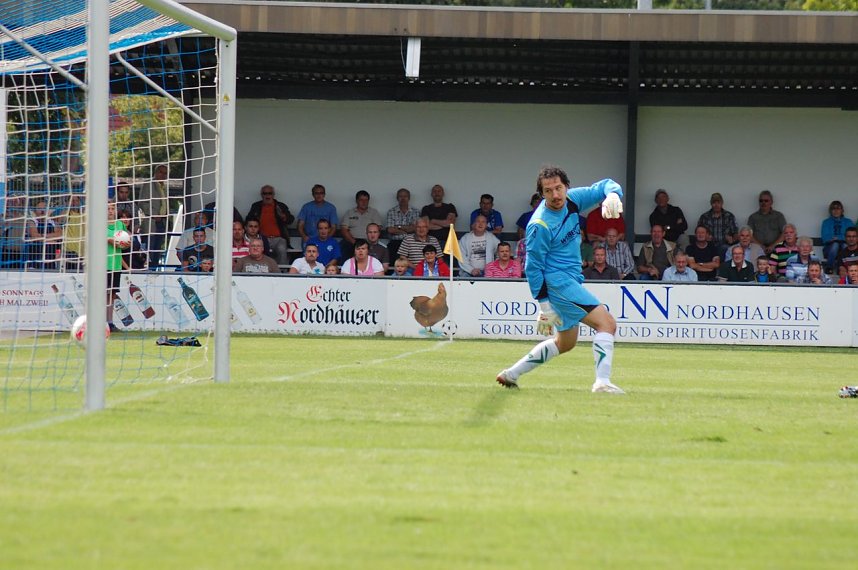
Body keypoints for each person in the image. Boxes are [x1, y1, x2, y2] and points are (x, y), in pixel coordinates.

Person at [496, 165, 624, 394]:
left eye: (558, 188)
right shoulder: (539, 224)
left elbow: (604, 185)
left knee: (565, 343)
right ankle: (602, 383)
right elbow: (533, 268)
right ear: (541, 194)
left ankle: (511, 374)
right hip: (558, 283)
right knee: (607, 324)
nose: (555, 195)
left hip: (570, 280)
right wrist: (544, 306)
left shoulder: (573, 200)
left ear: (566, 187)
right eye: (548, 191)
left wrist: (613, 194)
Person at [245, 184, 294, 265]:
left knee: (281, 249)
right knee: (257, 249)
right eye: (265, 193)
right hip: (261, 238)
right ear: (261, 195)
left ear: (273, 195)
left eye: (270, 193)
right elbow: (248, 220)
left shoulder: (280, 206)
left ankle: (282, 274)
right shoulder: (256, 206)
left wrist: (283, 217)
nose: (267, 196)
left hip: (278, 238)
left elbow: (291, 220)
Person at [137, 163, 170, 267]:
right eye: (161, 172)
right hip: (151, 222)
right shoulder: (149, 184)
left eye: (165, 173)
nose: (163, 175)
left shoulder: (164, 186)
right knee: (149, 250)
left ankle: (155, 270)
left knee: (157, 250)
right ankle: (147, 270)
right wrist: (154, 215)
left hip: (162, 222)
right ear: (155, 172)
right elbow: (142, 202)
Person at [340, 190, 384, 260]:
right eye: (361, 200)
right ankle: (345, 269)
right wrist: (354, 242)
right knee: (343, 246)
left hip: (368, 241)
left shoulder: (374, 213)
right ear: (356, 201)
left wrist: (370, 241)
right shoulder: (350, 212)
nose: (364, 202)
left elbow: (378, 229)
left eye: (366, 200)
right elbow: (344, 229)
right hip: (352, 241)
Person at [106, 200, 129, 332]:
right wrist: (109, 240)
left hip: (115, 265)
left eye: (112, 208)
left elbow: (127, 241)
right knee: (102, 294)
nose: (110, 211)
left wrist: (126, 243)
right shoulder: (98, 224)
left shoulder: (120, 224)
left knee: (112, 295)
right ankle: (100, 323)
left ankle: (110, 323)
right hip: (102, 265)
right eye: (108, 208)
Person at [24, 196, 63, 268]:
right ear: (35, 210)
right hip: (35, 260)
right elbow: (34, 236)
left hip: (50, 260)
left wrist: (41, 236)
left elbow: (60, 234)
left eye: (44, 208)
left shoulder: (53, 223)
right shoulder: (32, 222)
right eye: (39, 208)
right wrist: (51, 240)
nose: (42, 211)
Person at [385, 187, 421, 259]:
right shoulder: (391, 211)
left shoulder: (415, 211)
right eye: (400, 196)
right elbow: (390, 230)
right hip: (396, 242)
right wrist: (408, 230)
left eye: (405, 196)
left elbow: (415, 228)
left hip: (412, 242)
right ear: (397, 198)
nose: (403, 198)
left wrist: (398, 227)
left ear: (409, 198)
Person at [821, 200, 854, 273]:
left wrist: (838, 238)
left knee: (844, 245)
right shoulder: (826, 222)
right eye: (833, 208)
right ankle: (829, 268)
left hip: (844, 247)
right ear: (830, 210)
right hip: (829, 249)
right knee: (835, 245)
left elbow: (852, 237)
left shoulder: (848, 222)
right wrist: (841, 238)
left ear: (842, 210)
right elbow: (825, 238)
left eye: (838, 208)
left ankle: (845, 268)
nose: (836, 211)